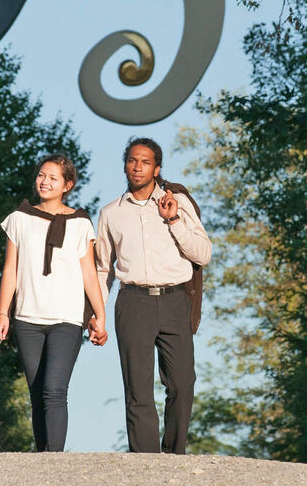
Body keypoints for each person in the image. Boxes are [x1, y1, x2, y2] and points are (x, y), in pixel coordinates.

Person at [92, 138, 212, 454]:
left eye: (145, 161)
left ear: (156, 168)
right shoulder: (110, 213)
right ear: (125, 165)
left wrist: (173, 219)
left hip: (174, 301)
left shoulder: (179, 203)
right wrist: (95, 314)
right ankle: (145, 462)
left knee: (182, 384)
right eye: (132, 160)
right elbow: (103, 268)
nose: (137, 166)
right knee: (138, 388)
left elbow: (203, 253)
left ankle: (173, 455)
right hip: (133, 303)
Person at [0, 153, 107, 452]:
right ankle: (41, 457)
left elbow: (88, 272)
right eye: (41, 175)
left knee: (54, 390)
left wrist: (100, 314)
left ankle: (54, 459)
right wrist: (3, 313)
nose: (45, 182)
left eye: (53, 177)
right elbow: (10, 270)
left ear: (67, 184)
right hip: (27, 318)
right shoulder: (19, 219)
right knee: (36, 393)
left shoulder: (81, 223)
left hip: (66, 320)